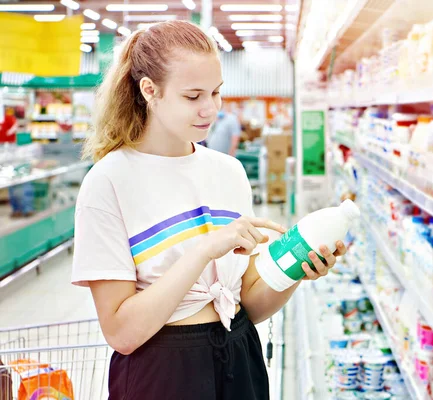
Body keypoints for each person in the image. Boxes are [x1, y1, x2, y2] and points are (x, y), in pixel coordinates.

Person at [71, 20, 346, 400]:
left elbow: (248, 300)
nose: (210, 109)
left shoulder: (229, 172)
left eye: (216, 92)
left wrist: (296, 270)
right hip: (162, 372)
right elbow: (122, 333)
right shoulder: (109, 181)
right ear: (150, 90)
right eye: (193, 96)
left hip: (239, 356)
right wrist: (203, 250)